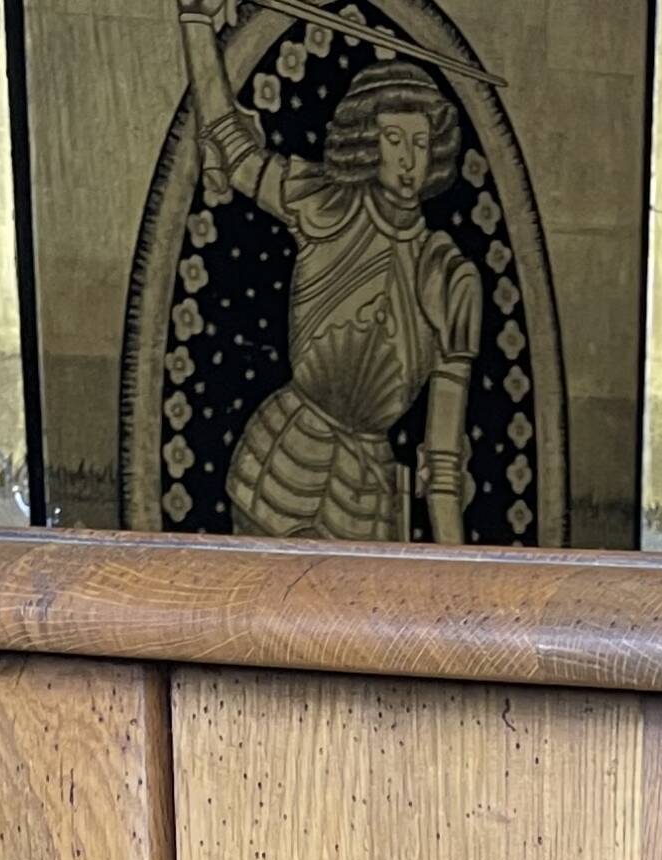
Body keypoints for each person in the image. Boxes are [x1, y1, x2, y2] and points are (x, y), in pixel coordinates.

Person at [176, 12, 482, 543]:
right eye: (393, 139)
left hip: (366, 493)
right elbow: (234, 146)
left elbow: (444, 459)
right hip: (280, 457)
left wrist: (461, 580)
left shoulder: (447, 273)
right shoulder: (326, 203)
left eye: (419, 141)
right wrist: (197, 24)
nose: (408, 160)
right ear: (368, 139)